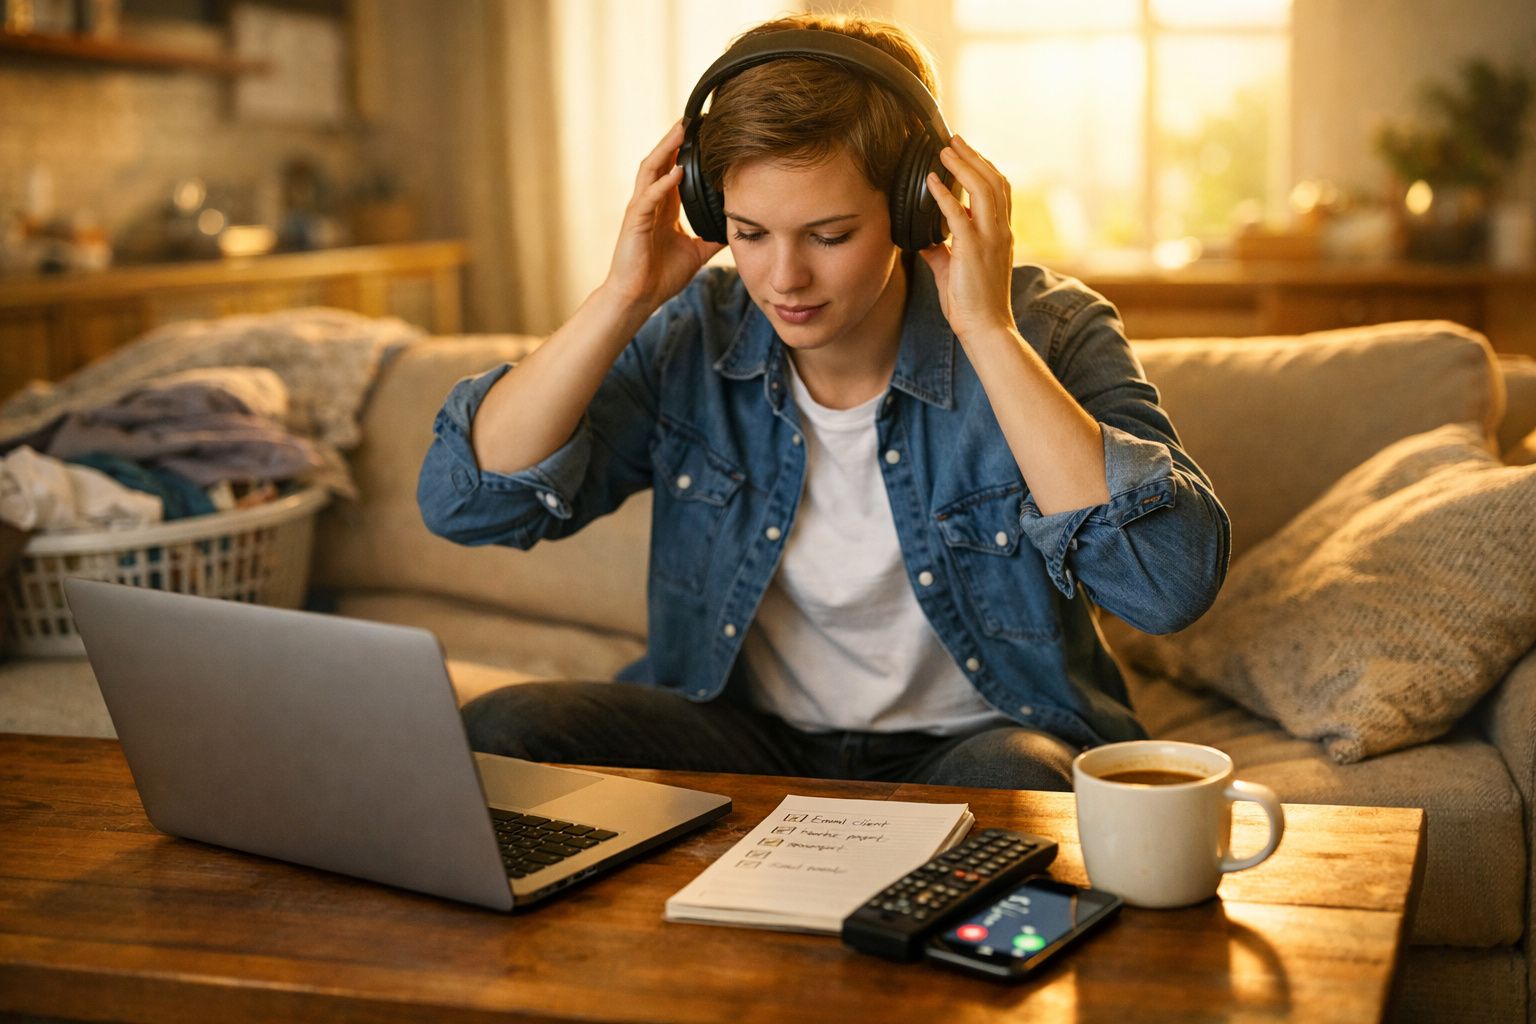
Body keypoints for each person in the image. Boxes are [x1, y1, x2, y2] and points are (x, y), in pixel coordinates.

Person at [417, 13, 1229, 792]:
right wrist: (622, 297)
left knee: (1020, 783)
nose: (784, 279)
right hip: (748, 737)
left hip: (974, 743)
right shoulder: (692, 333)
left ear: (915, 208)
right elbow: (466, 505)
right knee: (504, 730)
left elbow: (1165, 587)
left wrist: (987, 332)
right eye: (749, 233)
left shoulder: (1050, 328)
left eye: (830, 235)